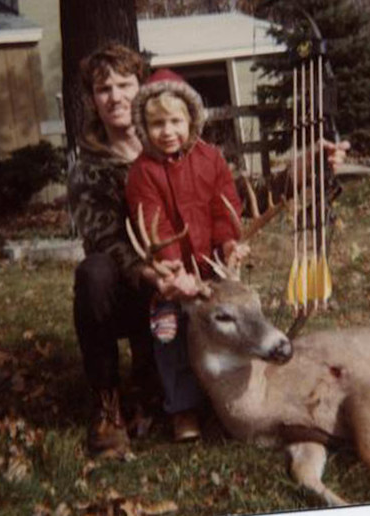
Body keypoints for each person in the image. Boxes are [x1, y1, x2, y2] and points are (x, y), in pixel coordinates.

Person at [68, 42, 349, 458]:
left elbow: (232, 201)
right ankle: (109, 405)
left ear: (143, 89)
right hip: (139, 286)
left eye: (125, 84)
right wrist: (160, 275)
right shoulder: (90, 164)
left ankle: (197, 389)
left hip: (200, 276)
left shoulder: (193, 150)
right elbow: (106, 241)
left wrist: (308, 168)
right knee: (92, 273)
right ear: (92, 98)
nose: (115, 96)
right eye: (103, 88)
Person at [125, 68, 249, 442]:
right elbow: (153, 224)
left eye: (175, 121)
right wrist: (173, 271)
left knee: (228, 326)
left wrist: (229, 243)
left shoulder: (211, 159)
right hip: (172, 276)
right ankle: (183, 408)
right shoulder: (142, 172)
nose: (168, 131)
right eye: (157, 123)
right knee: (171, 336)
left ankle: (228, 394)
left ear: (191, 119)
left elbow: (224, 208)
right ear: (145, 128)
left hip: (212, 267)